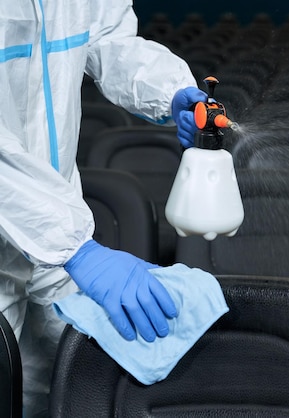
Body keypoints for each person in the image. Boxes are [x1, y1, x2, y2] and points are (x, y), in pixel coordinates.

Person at [0, 2, 207, 416]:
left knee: (64, 397)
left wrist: (170, 91)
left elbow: (108, 40)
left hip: (52, 252)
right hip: (53, 239)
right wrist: (75, 247)